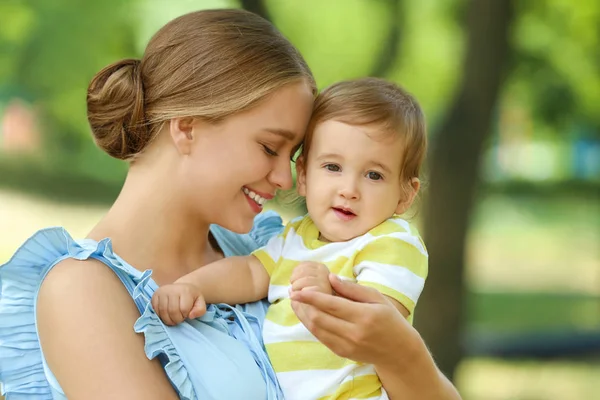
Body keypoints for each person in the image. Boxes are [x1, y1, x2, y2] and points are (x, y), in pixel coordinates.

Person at [0, 8, 461, 400]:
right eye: (269, 148)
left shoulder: (268, 248)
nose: (285, 179)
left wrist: (402, 353)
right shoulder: (83, 292)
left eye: (294, 155)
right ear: (187, 127)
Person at [152, 78, 428, 400]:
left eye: (374, 175)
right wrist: (193, 287)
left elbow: (380, 323)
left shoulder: (392, 241)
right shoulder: (297, 235)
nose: (349, 189)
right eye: (333, 167)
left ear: (405, 195)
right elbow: (250, 272)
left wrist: (328, 292)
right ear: (305, 176)